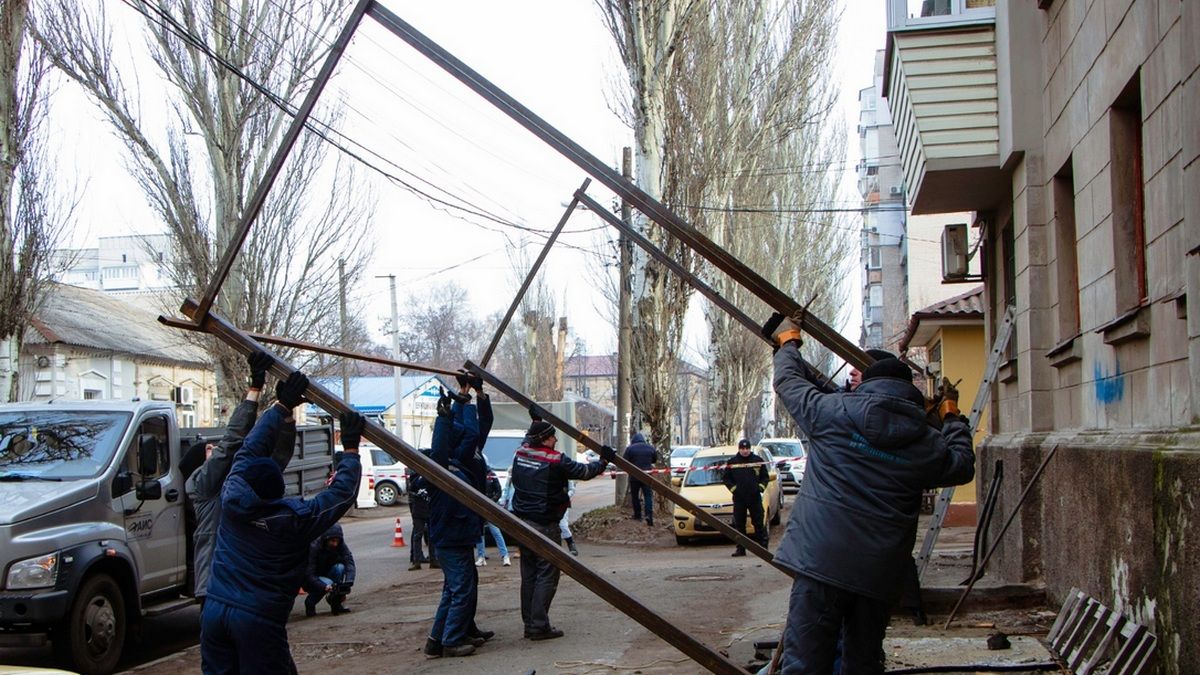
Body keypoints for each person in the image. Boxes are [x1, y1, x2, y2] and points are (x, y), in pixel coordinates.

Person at [761, 313, 975, 674]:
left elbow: (789, 382)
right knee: (861, 662)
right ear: (912, 392)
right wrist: (952, 418)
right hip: (878, 572)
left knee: (804, 662)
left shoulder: (831, 413)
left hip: (821, 561)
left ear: (865, 383)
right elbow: (962, 464)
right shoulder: (926, 443)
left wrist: (789, 343)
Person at [200, 370, 365, 675]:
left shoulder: (232, 494)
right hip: (258, 620)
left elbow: (250, 449)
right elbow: (339, 497)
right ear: (279, 490)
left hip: (215, 611)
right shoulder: (292, 519)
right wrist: (351, 451)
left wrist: (281, 407)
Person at [186, 350, 295, 607]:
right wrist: (255, 389)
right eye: (209, 450)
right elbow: (232, 442)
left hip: (244, 583)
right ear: (200, 464)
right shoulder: (205, 488)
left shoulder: (240, 485)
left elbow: (275, 462)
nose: (215, 450)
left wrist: (287, 415)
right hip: (217, 587)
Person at [509, 417, 613, 640]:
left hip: (522, 523)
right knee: (547, 573)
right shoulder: (555, 460)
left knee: (529, 575)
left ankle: (530, 623)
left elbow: (528, 441)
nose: (556, 439)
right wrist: (604, 461)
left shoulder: (521, 454)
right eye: (552, 436)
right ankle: (538, 626)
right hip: (545, 524)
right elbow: (584, 472)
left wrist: (536, 421)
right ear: (544, 439)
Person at [425, 377, 495, 658]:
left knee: (459, 587)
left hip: (460, 533)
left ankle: (442, 637)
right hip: (451, 535)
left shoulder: (468, 457)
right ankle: (451, 639)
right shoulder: (444, 468)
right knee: (461, 588)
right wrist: (448, 414)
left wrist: (473, 396)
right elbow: (455, 437)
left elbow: (477, 427)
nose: (472, 436)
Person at [723, 438, 769, 557]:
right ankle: (741, 549)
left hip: (754, 498)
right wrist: (734, 490)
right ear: (739, 449)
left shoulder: (758, 461)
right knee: (740, 524)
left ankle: (763, 547)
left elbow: (765, 477)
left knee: (758, 523)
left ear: (750, 449)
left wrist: (760, 487)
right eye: (742, 448)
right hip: (739, 499)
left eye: (747, 448)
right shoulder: (732, 462)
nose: (745, 451)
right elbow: (726, 479)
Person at [303, 524, 356, 616]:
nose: (335, 544)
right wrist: (324, 586)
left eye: (337, 541)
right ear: (326, 539)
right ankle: (310, 602)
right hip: (311, 578)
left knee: (340, 568)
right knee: (328, 582)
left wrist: (348, 581)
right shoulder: (314, 547)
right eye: (333, 541)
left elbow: (349, 562)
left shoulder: (341, 545)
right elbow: (309, 573)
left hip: (328, 572)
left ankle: (335, 600)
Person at [407, 452, 438, 571]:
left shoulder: (431, 474)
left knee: (432, 535)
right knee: (417, 535)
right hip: (419, 508)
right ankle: (416, 560)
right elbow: (411, 489)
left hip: (430, 507)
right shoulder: (415, 474)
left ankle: (433, 559)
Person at [475, 468, 511, 567]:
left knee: (496, 532)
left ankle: (505, 556)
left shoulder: (492, 475)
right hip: (480, 507)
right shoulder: (477, 474)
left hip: (490, 507)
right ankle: (481, 557)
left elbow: (498, 491)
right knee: (480, 533)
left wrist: (492, 501)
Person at [622, 432, 656, 526]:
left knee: (635, 496)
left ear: (633, 440)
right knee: (648, 496)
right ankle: (649, 515)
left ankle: (638, 515)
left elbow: (624, 461)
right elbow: (654, 459)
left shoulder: (630, 449)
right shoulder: (650, 448)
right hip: (647, 476)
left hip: (634, 477)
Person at [559, 481, 578, 556]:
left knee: (563, 525)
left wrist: (565, 496)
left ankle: (571, 544)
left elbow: (572, 490)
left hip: (562, 504)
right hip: (549, 503)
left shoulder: (566, 476)